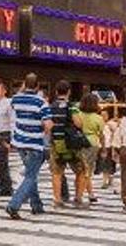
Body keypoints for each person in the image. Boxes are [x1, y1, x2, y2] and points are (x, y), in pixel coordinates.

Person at [6, 73, 52, 219]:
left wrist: (23, 88)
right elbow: (48, 124)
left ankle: (36, 205)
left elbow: (15, 103)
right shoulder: (41, 102)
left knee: (31, 174)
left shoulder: (16, 99)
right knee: (30, 176)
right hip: (35, 144)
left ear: (24, 84)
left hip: (20, 143)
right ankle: (14, 205)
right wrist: (44, 131)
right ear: (38, 86)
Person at [46, 80, 86, 209]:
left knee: (57, 173)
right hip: (71, 144)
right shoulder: (72, 106)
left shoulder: (50, 107)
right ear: (69, 92)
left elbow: (47, 125)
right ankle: (78, 197)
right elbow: (78, 123)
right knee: (81, 171)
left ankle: (57, 199)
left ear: (56, 92)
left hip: (56, 143)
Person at [76, 93, 104, 205]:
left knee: (81, 170)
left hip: (78, 142)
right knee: (87, 171)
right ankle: (79, 195)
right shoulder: (98, 118)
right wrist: (104, 148)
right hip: (92, 144)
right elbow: (101, 134)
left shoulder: (78, 115)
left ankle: (90, 193)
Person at [98, 108, 119, 192]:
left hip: (110, 145)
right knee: (104, 164)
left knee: (110, 164)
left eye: (105, 115)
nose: (103, 117)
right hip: (101, 145)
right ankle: (105, 180)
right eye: (101, 115)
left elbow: (116, 133)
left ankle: (108, 180)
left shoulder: (111, 124)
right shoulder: (99, 124)